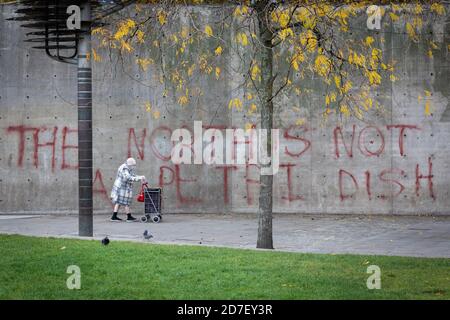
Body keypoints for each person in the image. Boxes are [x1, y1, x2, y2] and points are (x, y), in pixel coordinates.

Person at [110, 158, 146, 222]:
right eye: (132, 165)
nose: (133, 167)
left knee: (118, 202)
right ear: (129, 164)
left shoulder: (126, 167)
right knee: (126, 202)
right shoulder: (124, 168)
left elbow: (132, 175)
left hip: (120, 186)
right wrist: (139, 178)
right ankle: (128, 217)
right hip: (122, 187)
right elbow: (128, 177)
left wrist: (139, 177)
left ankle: (114, 216)